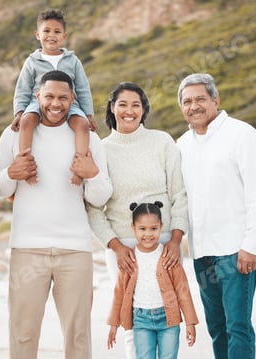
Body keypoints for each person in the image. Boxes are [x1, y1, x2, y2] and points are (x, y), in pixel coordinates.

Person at [0, 70, 112, 359]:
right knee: (22, 333)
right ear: (37, 97)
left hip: (75, 250)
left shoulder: (89, 138)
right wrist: (12, 173)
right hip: (26, 248)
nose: (55, 103)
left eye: (62, 97)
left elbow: (101, 196)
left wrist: (92, 174)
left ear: (73, 98)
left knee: (78, 335)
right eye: (49, 96)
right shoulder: (13, 134)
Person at [87, 82, 188, 359]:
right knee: (131, 321)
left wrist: (176, 240)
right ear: (112, 108)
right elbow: (94, 208)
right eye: (122, 104)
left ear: (143, 109)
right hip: (123, 249)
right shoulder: (102, 149)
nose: (129, 111)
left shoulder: (162, 141)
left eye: (136, 105)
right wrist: (116, 246)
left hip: (164, 244)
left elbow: (179, 193)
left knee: (168, 314)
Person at [176, 73, 256, 359]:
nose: (194, 106)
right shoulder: (181, 145)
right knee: (217, 328)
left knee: (238, 326)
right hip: (202, 252)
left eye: (200, 99)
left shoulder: (242, 134)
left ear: (215, 100)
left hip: (236, 250)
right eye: (187, 101)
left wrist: (251, 245)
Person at [11, 9, 97, 185]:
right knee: (27, 122)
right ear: (37, 35)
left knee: (81, 126)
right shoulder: (32, 61)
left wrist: (88, 114)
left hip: (69, 104)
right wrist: (19, 112)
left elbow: (82, 88)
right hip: (38, 103)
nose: (52, 35)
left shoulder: (72, 61)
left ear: (64, 36)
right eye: (46, 31)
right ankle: (27, 168)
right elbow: (22, 89)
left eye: (57, 32)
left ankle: (79, 170)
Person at [107, 201, 199, 359]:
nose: (148, 234)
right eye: (142, 229)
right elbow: (119, 294)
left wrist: (190, 322)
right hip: (141, 321)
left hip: (168, 320)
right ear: (133, 228)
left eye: (153, 228)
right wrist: (114, 324)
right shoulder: (129, 258)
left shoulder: (169, 256)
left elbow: (183, 290)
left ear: (161, 227)